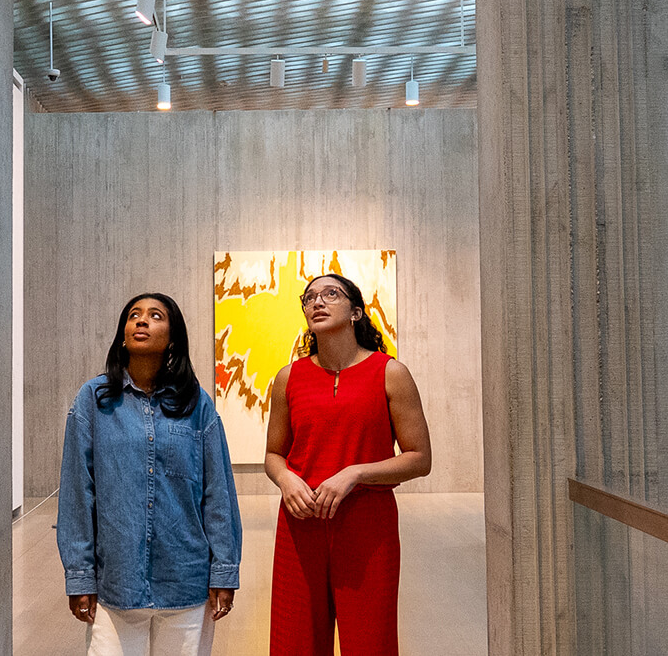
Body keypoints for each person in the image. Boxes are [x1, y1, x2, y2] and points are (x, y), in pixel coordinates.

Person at [59, 292, 243, 656]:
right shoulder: (93, 400)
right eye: (133, 315)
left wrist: (224, 569)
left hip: (185, 581)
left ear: (173, 337)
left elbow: (217, 491)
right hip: (116, 583)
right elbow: (78, 493)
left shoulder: (197, 403)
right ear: (123, 333)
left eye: (155, 315)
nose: (141, 321)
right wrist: (80, 574)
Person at [265, 274, 433, 656]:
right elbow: (274, 454)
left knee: (370, 642)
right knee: (295, 642)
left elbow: (419, 458)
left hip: (368, 526)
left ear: (356, 311)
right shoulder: (288, 378)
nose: (316, 302)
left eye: (330, 294)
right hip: (299, 525)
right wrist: (286, 480)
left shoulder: (390, 372)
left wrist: (355, 473)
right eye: (309, 298)